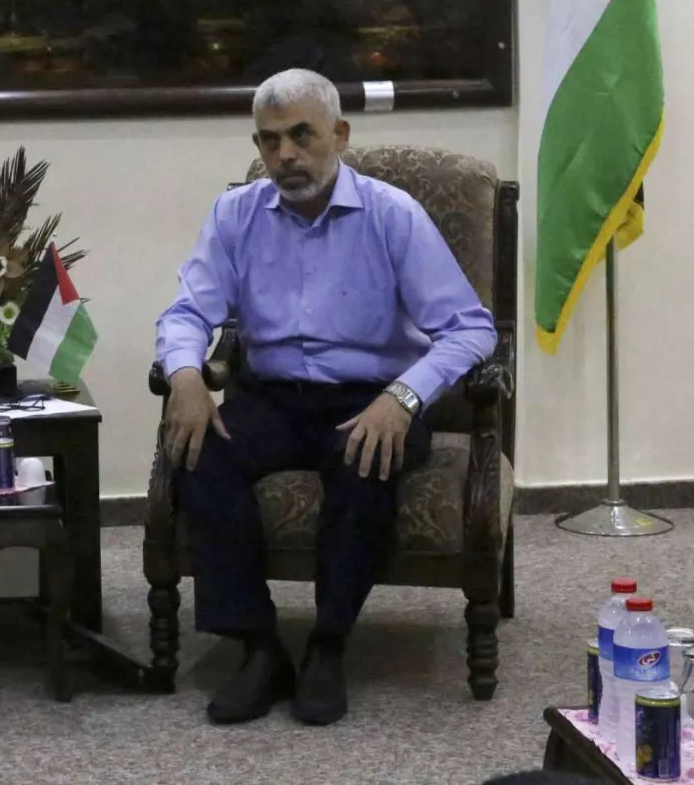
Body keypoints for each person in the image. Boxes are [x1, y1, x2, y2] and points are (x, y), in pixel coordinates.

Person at [155, 67, 496, 727]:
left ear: (339, 134)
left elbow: (471, 328)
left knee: (366, 455)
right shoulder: (236, 213)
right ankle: (258, 646)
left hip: (372, 395)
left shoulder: (392, 215)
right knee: (198, 453)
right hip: (273, 394)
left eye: (302, 135)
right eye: (270, 140)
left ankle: (328, 645)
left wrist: (404, 396)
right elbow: (186, 313)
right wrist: (186, 375)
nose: (285, 155)